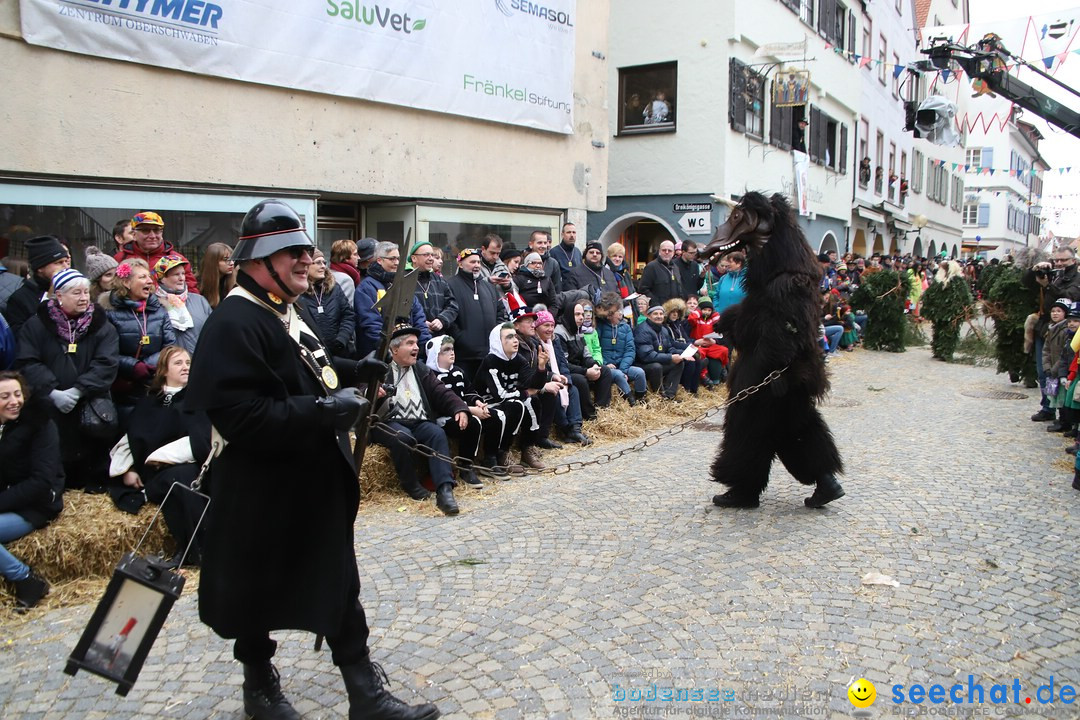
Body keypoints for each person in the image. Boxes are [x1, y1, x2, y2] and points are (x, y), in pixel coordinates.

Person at [183, 200, 436, 720]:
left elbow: (310, 364)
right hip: (259, 488)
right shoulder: (234, 322)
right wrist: (324, 410)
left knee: (340, 582)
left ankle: (365, 695)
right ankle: (259, 689)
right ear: (257, 260)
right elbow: (242, 416)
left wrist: (353, 368)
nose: (306, 260)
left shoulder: (281, 308)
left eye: (306, 250)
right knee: (255, 593)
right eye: (291, 252)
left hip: (311, 479)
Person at [15, 268, 119, 492]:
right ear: (59, 296)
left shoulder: (102, 325)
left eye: (85, 292)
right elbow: (27, 362)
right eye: (76, 293)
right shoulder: (36, 325)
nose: (83, 298)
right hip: (48, 405)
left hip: (88, 405)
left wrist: (79, 390)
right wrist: (53, 391)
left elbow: (106, 363)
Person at [107, 346, 211, 566]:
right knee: (174, 483)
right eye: (178, 363)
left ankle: (199, 549)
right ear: (164, 370)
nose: (185, 367)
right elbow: (132, 438)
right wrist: (128, 469)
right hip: (153, 474)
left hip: (194, 469)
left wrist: (167, 455)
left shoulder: (197, 399)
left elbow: (202, 439)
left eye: (188, 363)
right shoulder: (149, 402)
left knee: (182, 480)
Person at [372, 324, 471, 511]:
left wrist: (460, 408)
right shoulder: (380, 369)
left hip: (418, 422)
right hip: (389, 423)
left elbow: (441, 392)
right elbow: (361, 394)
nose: (416, 348)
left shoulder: (420, 369)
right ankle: (411, 484)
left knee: (436, 433)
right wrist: (373, 394)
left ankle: (444, 489)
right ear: (394, 349)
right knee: (402, 436)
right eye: (410, 343)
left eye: (417, 343)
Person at [0, 371, 62, 612]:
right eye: (5, 396)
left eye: (17, 394)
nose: (14, 401)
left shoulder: (40, 425)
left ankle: (26, 580)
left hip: (35, 505)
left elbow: (41, 482)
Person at [425, 335, 518, 482]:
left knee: (497, 416)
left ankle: (490, 458)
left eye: (452, 349)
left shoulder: (459, 371)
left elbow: (469, 391)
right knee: (473, 421)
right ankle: (466, 465)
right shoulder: (431, 377)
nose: (452, 352)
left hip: (467, 411)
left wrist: (478, 402)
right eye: (446, 350)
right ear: (435, 353)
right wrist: (469, 410)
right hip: (446, 417)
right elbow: (438, 404)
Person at [104, 259, 177, 416]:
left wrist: (148, 365)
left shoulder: (159, 311)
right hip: (126, 389)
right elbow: (107, 351)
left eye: (149, 277)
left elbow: (170, 346)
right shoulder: (110, 313)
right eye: (142, 277)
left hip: (155, 384)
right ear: (126, 282)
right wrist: (133, 366)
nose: (150, 281)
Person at [1025, 247, 1080, 422]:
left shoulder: (1076, 278)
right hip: (1045, 326)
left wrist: (1049, 285)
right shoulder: (1053, 273)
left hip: (1067, 328)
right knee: (1044, 371)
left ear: (1073, 261)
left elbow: (1069, 296)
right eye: (1057, 260)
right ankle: (1047, 407)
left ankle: (1063, 413)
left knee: (1061, 371)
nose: (1060, 263)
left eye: (1064, 260)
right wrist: (1033, 270)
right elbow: (1026, 283)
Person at [354, 241, 431, 360]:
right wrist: (389, 349)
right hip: (381, 356)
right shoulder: (366, 288)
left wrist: (425, 345)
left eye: (398, 259)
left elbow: (418, 315)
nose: (396, 263)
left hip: (408, 353)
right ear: (379, 260)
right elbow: (371, 324)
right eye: (392, 259)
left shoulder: (402, 283)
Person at [447, 248, 508, 381]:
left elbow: (500, 311)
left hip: (488, 354)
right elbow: (449, 316)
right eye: (472, 262)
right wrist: (461, 338)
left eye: (479, 262)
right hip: (464, 355)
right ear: (460, 263)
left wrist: (495, 335)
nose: (476, 265)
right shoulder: (450, 285)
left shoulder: (488, 286)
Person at [534, 310, 590, 445]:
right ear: (537, 327)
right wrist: (553, 378)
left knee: (573, 390)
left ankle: (576, 428)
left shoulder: (555, 340)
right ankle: (566, 429)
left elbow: (562, 363)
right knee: (555, 393)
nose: (550, 329)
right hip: (545, 380)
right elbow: (536, 369)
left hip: (559, 376)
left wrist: (566, 379)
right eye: (546, 325)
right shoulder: (535, 344)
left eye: (552, 325)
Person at [114, 212, 200, 294]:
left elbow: (191, 290)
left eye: (156, 230)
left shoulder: (177, 259)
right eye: (145, 231)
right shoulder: (120, 259)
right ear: (134, 235)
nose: (152, 236)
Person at [5, 235, 71, 338]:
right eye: (59, 263)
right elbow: (22, 338)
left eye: (66, 261)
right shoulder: (19, 299)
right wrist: (49, 297)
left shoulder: (74, 290)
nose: (66, 267)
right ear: (40, 268)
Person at [296, 248, 356, 359]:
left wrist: (342, 338)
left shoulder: (334, 288)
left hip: (340, 352)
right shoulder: (297, 293)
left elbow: (348, 315)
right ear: (306, 265)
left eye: (324, 262)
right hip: (314, 354)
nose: (323, 266)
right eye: (318, 262)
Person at [555, 302, 613, 411]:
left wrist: (594, 365)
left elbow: (586, 354)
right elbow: (564, 364)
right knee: (580, 380)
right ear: (569, 315)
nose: (581, 318)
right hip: (565, 372)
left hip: (579, 367)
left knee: (604, 370)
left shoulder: (578, 330)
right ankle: (589, 415)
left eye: (582, 314)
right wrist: (586, 371)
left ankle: (602, 408)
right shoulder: (559, 333)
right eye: (577, 314)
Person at [594, 292, 647, 405]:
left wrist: (623, 368)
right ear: (610, 313)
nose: (620, 314)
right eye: (617, 311)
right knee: (618, 375)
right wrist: (605, 364)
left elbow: (630, 350)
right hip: (608, 366)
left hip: (623, 365)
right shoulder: (600, 326)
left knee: (639, 372)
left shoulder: (626, 327)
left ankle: (641, 398)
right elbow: (596, 348)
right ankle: (631, 403)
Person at [154, 254, 212, 356]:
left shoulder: (200, 300)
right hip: (170, 367)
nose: (182, 278)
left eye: (183, 274)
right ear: (162, 278)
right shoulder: (154, 303)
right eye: (176, 274)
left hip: (201, 365)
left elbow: (212, 333)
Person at [409, 241, 459, 342]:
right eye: (426, 255)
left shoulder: (439, 280)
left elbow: (452, 305)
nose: (431, 258)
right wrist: (419, 323)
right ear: (414, 258)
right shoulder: (404, 280)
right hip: (413, 339)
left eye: (432, 255)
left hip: (438, 341)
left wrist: (442, 320)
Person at [634, 304, 684, 400]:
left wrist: (682, 353)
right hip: (642, 363)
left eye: (661, 314)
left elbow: (669, 348)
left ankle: (669, 394)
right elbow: (647, 356)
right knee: (656, 366)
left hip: (657, 359)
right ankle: (659, 394)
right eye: (655, 314)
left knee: (679, 363)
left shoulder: (663, 330)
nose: (659, 316)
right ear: (648, 316)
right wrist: (670, 357)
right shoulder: (643, 330)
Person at [687, 297, 728, 386]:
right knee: (699, 355)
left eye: (709, 310)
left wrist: (714, 341)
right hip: (698, 345)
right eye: (704, 309)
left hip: (710, 345)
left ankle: (723, 368)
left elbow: (719, 328)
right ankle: (703, 375)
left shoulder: (711, 321)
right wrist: (698, 311)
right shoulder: (696, 320)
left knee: (723, 350)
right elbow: (691, 319)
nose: (707, 312)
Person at [636, 240, 684, 307]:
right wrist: (656, 304)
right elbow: (643, 289)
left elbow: (679, 288)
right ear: (659, 251)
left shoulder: (675, 268)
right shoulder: (651, 267)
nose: (666, 252)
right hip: (658, 310)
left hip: (674, 310)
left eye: (669, 250)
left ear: (673, 253)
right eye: (664, 250)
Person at [198, 242, 236, 310]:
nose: (231, 263)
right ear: (213, 262)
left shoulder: (233, 283)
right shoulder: (197, 285)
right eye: (226, 260)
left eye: (232, 259)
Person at [550, 223, 583, 288]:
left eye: (574, 232)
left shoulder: (577, 252)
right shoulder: (553, 252)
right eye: (568, 232)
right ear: (562, 235)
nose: (572, 235)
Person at [329, 239, 362, 305]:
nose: (358, 258)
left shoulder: (330, 273)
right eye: (355, 254)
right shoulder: (345, 279)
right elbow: (347, 308)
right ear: (344, 257)